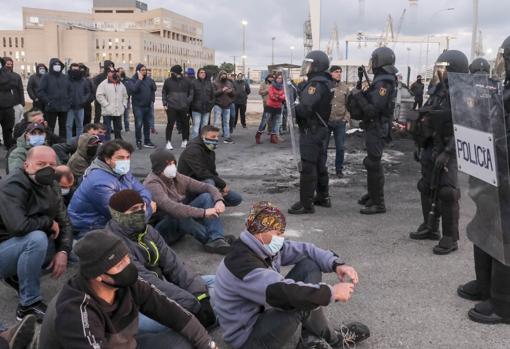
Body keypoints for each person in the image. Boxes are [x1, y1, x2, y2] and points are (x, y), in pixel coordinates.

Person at [215, 201, 370, 349]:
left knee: (310, 265)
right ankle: (335, 340)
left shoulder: (260, 245)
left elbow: (305, 250)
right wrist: (331, 292)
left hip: (262, 313)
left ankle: (310, 339)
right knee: (301, 301)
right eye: (278, 233)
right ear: (261, 232)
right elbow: (286, 292)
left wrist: (336, 264)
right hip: (247, 339)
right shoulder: (242, 263)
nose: (281, 239)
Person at [38, 230, 217, 349]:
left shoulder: (129, 283)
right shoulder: (76, 312)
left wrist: (208, 345)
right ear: (98, 275)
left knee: (183, 344)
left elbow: (174, 313)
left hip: (125, 344)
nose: (128, 267)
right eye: (118, 264)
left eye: (126, 259)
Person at [105, 189, 217, 330]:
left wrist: (201, 297)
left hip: (162, 291)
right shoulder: (114, 244)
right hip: (137, 305)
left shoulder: (148, 231)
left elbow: (174, 265)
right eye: (134, 210)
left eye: (141, 207)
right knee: (188, 317)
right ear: (118, 215)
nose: (140, 213)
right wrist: (191, 303)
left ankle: (203, 316)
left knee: (217, 282)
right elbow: (147, 283)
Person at [456, 38, 510, 324]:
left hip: (506, 171)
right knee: (485, 224)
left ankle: (504, 304)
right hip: (495, 172)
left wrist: (496, 142)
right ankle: (486, 286)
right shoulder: (504, 89)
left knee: (506, 234)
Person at [0, 146, 73, 322]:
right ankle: (28, 305)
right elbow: (19, 226)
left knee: (66, 249)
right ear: (26, 165)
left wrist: (63, 251)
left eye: (51, 164)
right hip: (7, 244)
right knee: (37, 239)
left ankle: (16, 276)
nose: (47, 168)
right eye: (40, 164)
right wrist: (48, 222)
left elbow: (64, 222)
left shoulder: (52, 184)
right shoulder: (13, 185)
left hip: (15, 244)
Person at [409, 50, 467, 255]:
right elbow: (425, 115)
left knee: (447, 192)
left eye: (443, 68)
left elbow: (464, 125)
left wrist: (449, 152)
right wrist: (418, 142)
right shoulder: (438, 91)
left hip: (446, 148)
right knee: (426, 186)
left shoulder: (462, 94)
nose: (440, 72)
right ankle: (430, 226)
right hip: (430, 145)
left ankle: (450, 237)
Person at [145, 149, 232, 254]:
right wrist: (203, 212)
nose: (172, 166)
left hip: (177, 222)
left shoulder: (175, 176)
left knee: (206, 197)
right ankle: (211, 240)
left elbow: (205, 186)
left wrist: (219, 200)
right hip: (162, 230)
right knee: (178, 214)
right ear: (158, 166)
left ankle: (217, 238)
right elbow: (171, 207)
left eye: (173, 163)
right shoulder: (152, 183)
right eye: (168, 164)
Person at [68, 139, 155, 239]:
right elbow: (122, 218)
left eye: (128, 157)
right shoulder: (99, 182)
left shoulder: (122, 172)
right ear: (107, 159)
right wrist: (150, 209)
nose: (125, 161)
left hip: (108, 222)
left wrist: (142, 204)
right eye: (120, 158)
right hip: (89, 228)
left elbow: (143, 190)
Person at [351, 47, 397, 215]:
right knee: (372, 162)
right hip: (375, 126)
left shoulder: (384, 82)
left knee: (373, 163)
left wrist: (358, 96)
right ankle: (373, 195)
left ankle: (379, 203)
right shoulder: (382, 80)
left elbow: (373, 109)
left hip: (377, 127)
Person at [288, 51, 334, 215]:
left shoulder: (315, 85)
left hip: (311, 129)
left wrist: (294, 107)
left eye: (309, 64)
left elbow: (306, 108)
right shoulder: (324, 82)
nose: (306, 68)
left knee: (308, 166)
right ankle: (323, 196)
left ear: (317, 66)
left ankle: (306, 203)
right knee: (320, 164)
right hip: (320, 129)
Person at [179, 125, 243, 208]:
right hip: (188, 187)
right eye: (213, 136)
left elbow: (212, 172)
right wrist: (221, 185)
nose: (216, 139)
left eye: (217, 137)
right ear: (203, 136)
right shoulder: (192, 150)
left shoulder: (210, 150)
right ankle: (205, 207)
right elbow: (201, 173)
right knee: (210, 182)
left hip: (202, 184)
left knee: (236, 198)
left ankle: (208, 203)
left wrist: (219, 189)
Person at [38, 58, 71, 138]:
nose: (57, 66)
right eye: (55, 64)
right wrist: (48, 102)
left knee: (63, 128)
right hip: (51, 107)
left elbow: (70, 90)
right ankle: (49, 144)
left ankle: (63, 144)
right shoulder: (46, 77)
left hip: (64, 107)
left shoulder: (65, 77)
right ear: (51, 66)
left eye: (59, 64)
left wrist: (68, 102)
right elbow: (40, 91)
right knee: (50, 128)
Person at [162, 65, 193, 150]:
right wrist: (164, 103)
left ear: (177, 72)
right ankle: (168, 142)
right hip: (171, 106)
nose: (171, 74)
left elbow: (191, 93)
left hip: (184, 106)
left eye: (173, 72)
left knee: (185, 124)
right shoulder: (168, 81)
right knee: (170, 124)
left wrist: (187, 101)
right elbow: (164, 92)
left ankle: (185, 140)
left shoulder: (187, 81)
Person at [126, 63, 157, 149]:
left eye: (145, 70)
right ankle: (138, 141)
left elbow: (154, 88)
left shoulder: (148, 79)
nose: (145, 72)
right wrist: (139, 80)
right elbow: (134, 89)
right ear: (138, 71)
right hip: (138, 106)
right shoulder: (132, 80)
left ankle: (147, 141)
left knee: (147, 124)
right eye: (142, 70)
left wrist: (152, 99)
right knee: (139, 124)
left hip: (147, 105)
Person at [328, 65, 350, 178]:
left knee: (340, 147)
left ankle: (338, 169)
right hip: (327, 121)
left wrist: (346, 118)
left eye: (340, 72)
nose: (339, 74)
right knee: (323, 147)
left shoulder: (345, 88)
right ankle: (321, 167)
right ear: (331, 73)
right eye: (336, 72)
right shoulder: (326, 86)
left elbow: (348, 105)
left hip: (340, 122)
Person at [96, 67, 128, 140]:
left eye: (115, 72)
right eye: (112, 72)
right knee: (107, 130)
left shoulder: (120, 84)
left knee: (118, 130)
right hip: (107, 111)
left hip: (118, 111)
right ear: (108, 73)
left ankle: (117, 144)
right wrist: (106, 105)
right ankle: (107, 145)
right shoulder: (103, 84)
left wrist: (124, 105)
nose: (114, 73)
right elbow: (99, 95)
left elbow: (125, 96)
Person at [67, 63, 92, 143]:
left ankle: (79, 142)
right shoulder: (66, 80)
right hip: (69, 107)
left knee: (80, 126)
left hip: (80, 107)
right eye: (73, 69)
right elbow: (64, 92)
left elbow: (88, 92)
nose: (75, 71)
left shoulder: (83, 80)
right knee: (69, 126)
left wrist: (83, 100)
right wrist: (68, 101)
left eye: (76, 69)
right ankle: (69, 143)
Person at [190, 68, 214, 140]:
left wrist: (210, 106)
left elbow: (213, 97)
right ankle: (194, 143)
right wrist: (192, 106)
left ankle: (203, 142)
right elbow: (191, 96)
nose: (203, 73)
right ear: (198, 74)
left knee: (204, 127)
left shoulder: (209, 84)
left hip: (206, 109)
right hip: (196, 109)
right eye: (201, 72)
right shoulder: (194, 83)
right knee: (196, 127)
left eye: (204, 72)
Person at [212, 70, 235, 144]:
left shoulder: (229, 83)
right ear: (219, 75)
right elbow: (213, 94)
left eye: (225, 75)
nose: (224, 76)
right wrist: (222, 90)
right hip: (218, 105)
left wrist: (231, 92)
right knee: (216, 122)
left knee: (226, 122)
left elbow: (233, 94)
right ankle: (213, 137)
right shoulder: (215, 83)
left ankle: (227, 137)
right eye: (222, 75)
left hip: (227, 105)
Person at [0, 57, 18, 149]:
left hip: (7, 106)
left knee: (8, 128)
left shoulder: (7, 73)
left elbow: (14, 83)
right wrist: (5, 84)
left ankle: (8, 146)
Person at [264, 73, 285, 144]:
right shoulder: (271, 86)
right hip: (270, 105)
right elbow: (272, 96)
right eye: (278, 78)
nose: (280, 79)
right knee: (269, 120)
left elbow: (283, 97)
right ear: (275, 79)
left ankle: (275, 136)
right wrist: (279, 97)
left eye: (281, 78)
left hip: (279, 106)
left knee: (277, 122)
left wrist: (278, 97)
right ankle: (263, 134)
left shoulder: (283, 86)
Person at [3, 57, 25, 122]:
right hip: (3, 106)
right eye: (7, 64)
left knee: (16, 123)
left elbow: (21, 89)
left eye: (11, 64)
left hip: (16, 104)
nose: (9, 66)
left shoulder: (17, 76)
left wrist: (22, 103)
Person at [256, 74, 274, 143]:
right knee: (266, 117)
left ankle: (271, 130)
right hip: (266, 102)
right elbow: (260, 92)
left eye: (272, 78)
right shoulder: (264, 83)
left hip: (274, 102)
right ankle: (261, 130)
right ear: (267, 78)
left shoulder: (274, 83)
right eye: (270, 77)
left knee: (272, 117)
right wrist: (267, 90)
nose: (271, 79)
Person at [119, 67, 131, 131]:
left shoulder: (128, 80)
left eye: (122, 70)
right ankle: (119, 127)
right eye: (120, 71)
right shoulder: (117, 80)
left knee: (126, 115)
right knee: (119, 115)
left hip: (127, 100)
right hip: (119, 100)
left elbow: (130, 89)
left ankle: (127, 128)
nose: (122, 72)